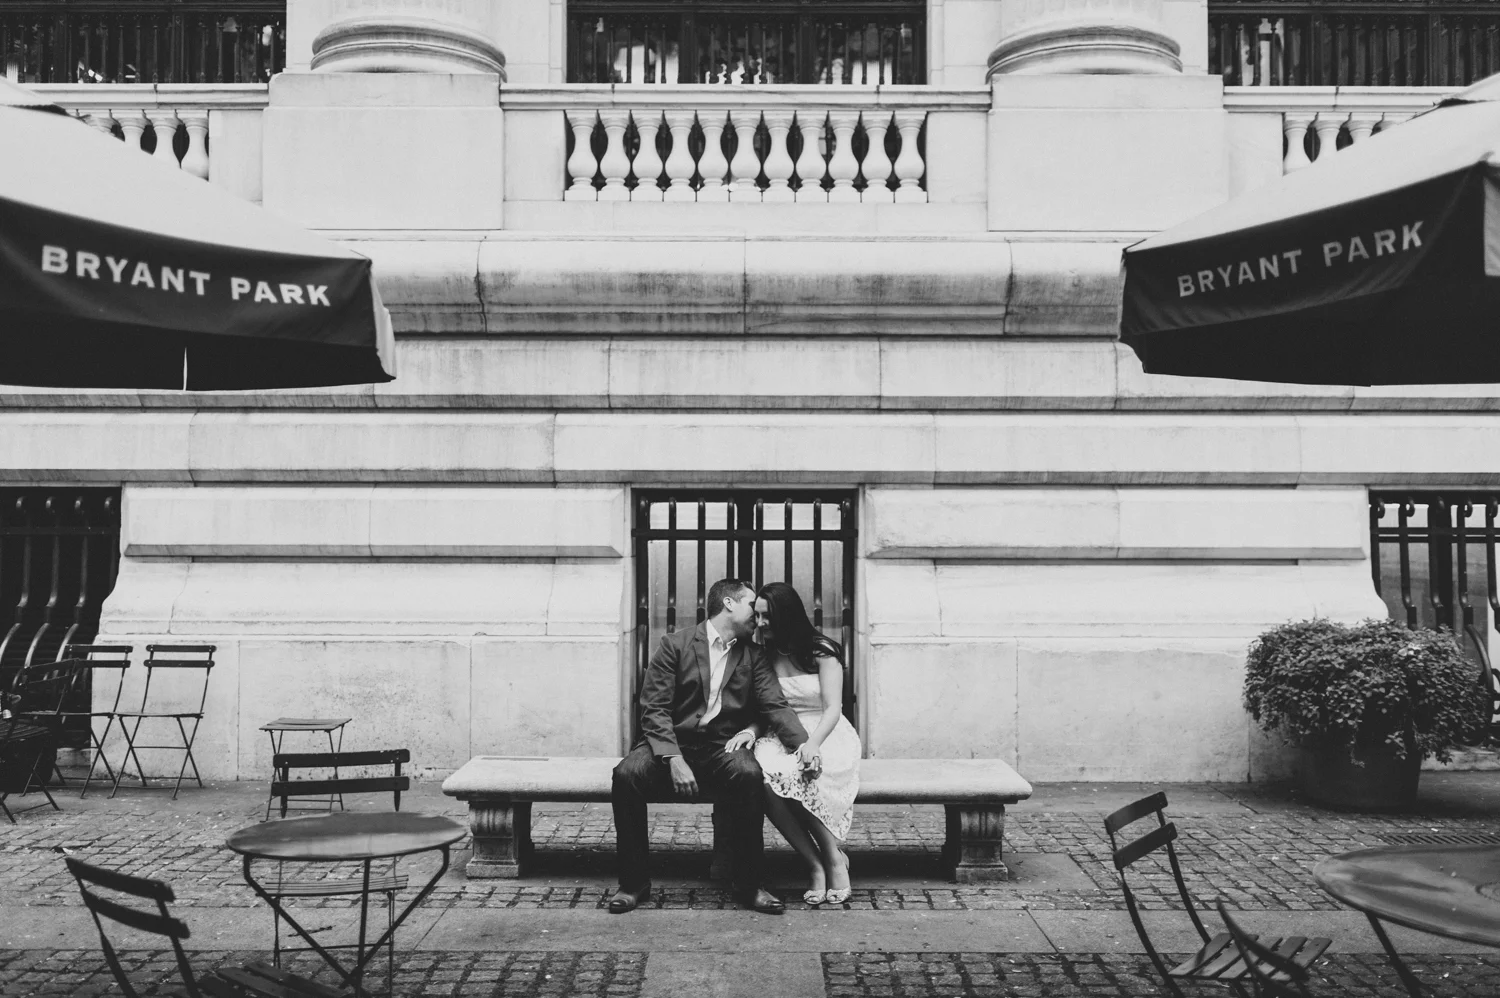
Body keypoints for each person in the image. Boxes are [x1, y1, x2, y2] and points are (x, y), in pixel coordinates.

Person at [609, 577, 808, 915]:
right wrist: (673, 757)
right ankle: (633, 884)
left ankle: (749, 885)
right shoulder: (675, 644)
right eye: (751, 605)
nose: (758, 616)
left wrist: (804, 746)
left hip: (721, 745)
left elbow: (774, 705)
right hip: (670, 743)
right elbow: (653, 708)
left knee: (748, 775)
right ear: (729, 603)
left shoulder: (753, 654)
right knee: (626, 775)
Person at [727, 581, 861, 906]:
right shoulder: (764, 655)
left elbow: (833, 707)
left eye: (766, 617)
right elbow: (769, 706)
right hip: (780, 732)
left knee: (799, 772)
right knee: (767, 780)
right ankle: (814, 863)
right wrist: (750, 730)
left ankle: (833, 859)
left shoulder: (821, 650)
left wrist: (813, 744)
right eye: (757, 617)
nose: (759, 625)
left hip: (825, 732)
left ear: (785, 615)